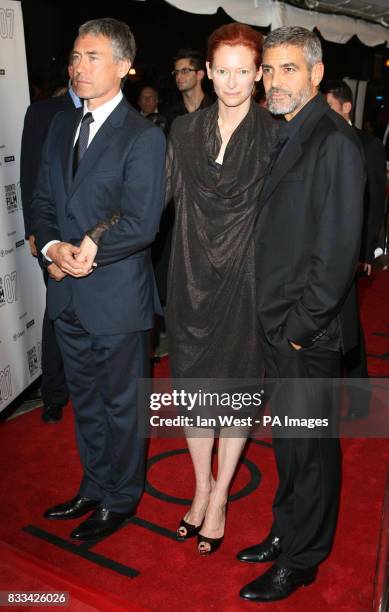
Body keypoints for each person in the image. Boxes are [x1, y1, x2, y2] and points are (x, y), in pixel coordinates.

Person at [238, 27, 365, 602]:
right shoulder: (289, 132)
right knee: (289, 443)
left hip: (305, 333)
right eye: (270, 68)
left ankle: (304, 558)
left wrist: (297, 332)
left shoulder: (333, 140)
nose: (275, 79)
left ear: (316, 74)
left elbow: (336, 253)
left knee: (310, 449)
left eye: (289, 68)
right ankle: (286, 530)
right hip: (280, 324)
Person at [31, 18, 165, 541]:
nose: (78, 66)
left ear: (124, 66)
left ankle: (121, 499)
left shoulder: (143, 136)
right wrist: (50, 247)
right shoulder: (62, 125)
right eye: (75, 56)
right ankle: (94, 485)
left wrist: (88, 247)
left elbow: (142, 220)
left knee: (122, 406)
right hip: (66, 292)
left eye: (91, 56)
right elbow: (43, 200)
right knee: (85, 402)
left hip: (115, 299)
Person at [166, 23, 277, 555]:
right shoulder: (183, 133)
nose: (231, 82)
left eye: (243, 71)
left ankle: (222, 495)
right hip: (190, 277)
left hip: (247, 280)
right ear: (207, 73)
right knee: (192, 393)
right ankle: (200, 485)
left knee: (233, 391)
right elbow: (156, 201)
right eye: (222, 70)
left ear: (258, 75)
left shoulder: (276, 136)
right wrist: (98, 235)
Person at [20, 65, 81, 422]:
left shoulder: (108, 114)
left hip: (95, 234)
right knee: (56, 311)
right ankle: (54, 393)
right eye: (80, 60)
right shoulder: (44, 113)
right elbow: (29, 172)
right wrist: (34, 230)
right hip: (52, 233)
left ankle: (86, 382)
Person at [323, 80, 387, 419]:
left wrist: (367, 253)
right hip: (324, 251)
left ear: (346, 107)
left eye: (329, 104)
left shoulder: (369, 145)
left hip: (353, 254)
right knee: (337, 324)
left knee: (348, 325)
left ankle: (357, 395)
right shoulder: (318, 140)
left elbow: (375, 202)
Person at [165, 48, 214, 128]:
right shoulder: (170, 116)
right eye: (176, 72)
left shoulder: (216, 110)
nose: (178, 76)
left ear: (199, 75)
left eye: (185, 71)